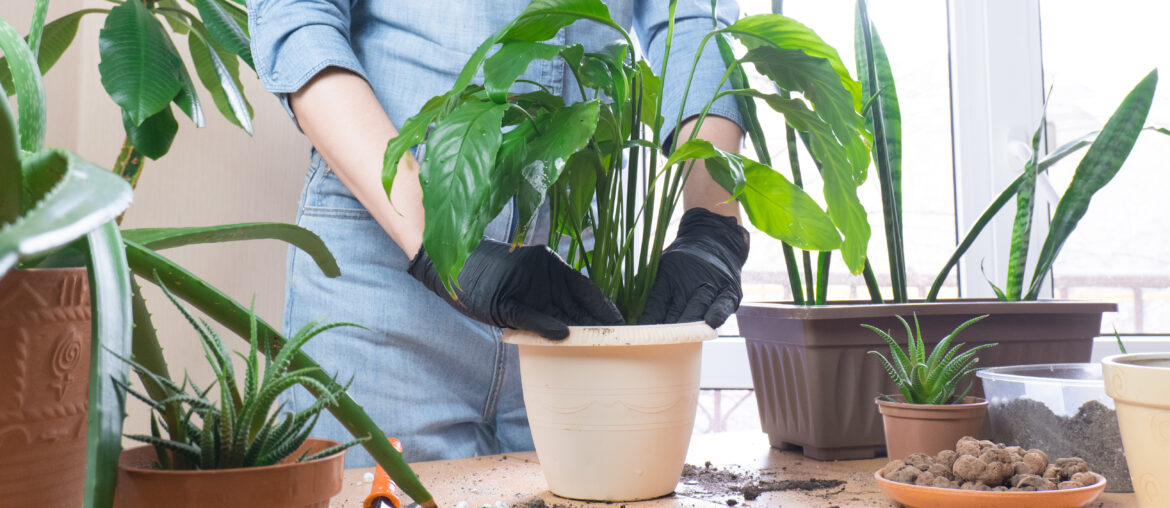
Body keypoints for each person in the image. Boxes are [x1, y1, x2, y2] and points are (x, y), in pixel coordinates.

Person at [249, 0, 750, 466]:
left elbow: (692, 17)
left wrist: (713, 221)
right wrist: (441, 246)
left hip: (578, 297)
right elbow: (299, 17)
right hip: (385, 284)